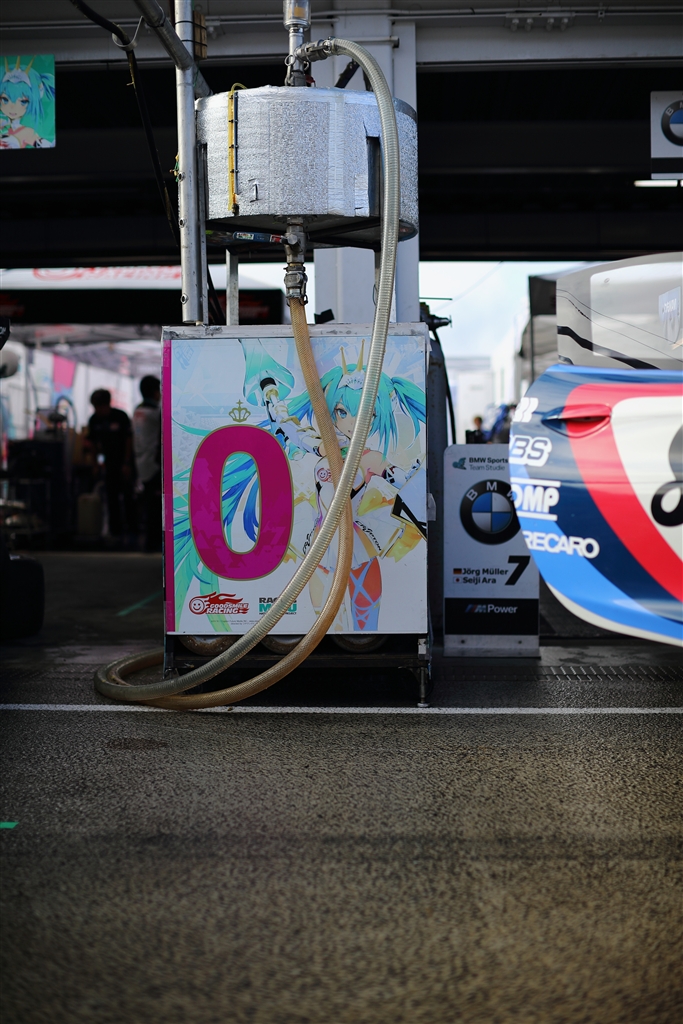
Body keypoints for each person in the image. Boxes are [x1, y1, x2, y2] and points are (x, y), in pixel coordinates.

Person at [87, 389, 136, 544]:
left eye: (100, 406)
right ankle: (115, 531)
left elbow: (129, 440)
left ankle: (132, 530)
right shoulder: (94, 420)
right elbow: (93, 444)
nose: (98, 410)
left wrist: (127, 462)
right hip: (108, 464)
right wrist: (95, 464)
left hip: (124, 462)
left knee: (128, 496)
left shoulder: (120, 416)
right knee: (111, 497)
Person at [133, 376, 162, 553]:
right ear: (154, 392)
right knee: (155, 507)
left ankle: (148, 543)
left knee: (148, 505)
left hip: (140, 462)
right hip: (153, 464)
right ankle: (153, 544)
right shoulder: (155, 413)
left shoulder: (137, 411)